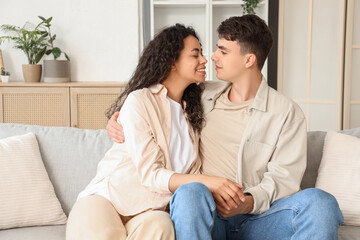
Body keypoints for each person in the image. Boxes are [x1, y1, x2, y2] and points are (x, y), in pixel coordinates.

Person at [106, 15, 344, 239]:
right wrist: (117, 120)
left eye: (223, 51)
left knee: (322, 203)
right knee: (190, 193)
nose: (213, 57)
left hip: (259, 218)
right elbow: (156, 100)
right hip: (208, 213)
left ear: (249, 60)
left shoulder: (287, 113)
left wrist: (248, 202)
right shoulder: (200, 94)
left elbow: (285, 179)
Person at [66, 24, 245, 240]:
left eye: (202, 54)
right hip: (108, 198)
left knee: (162, 226)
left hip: (151, 212)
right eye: (195, 55)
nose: (204, 60)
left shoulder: (195, 108)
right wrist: (211, 181)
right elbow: (151, 174)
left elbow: (237, 86)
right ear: (172, 62)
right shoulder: (141, 100)